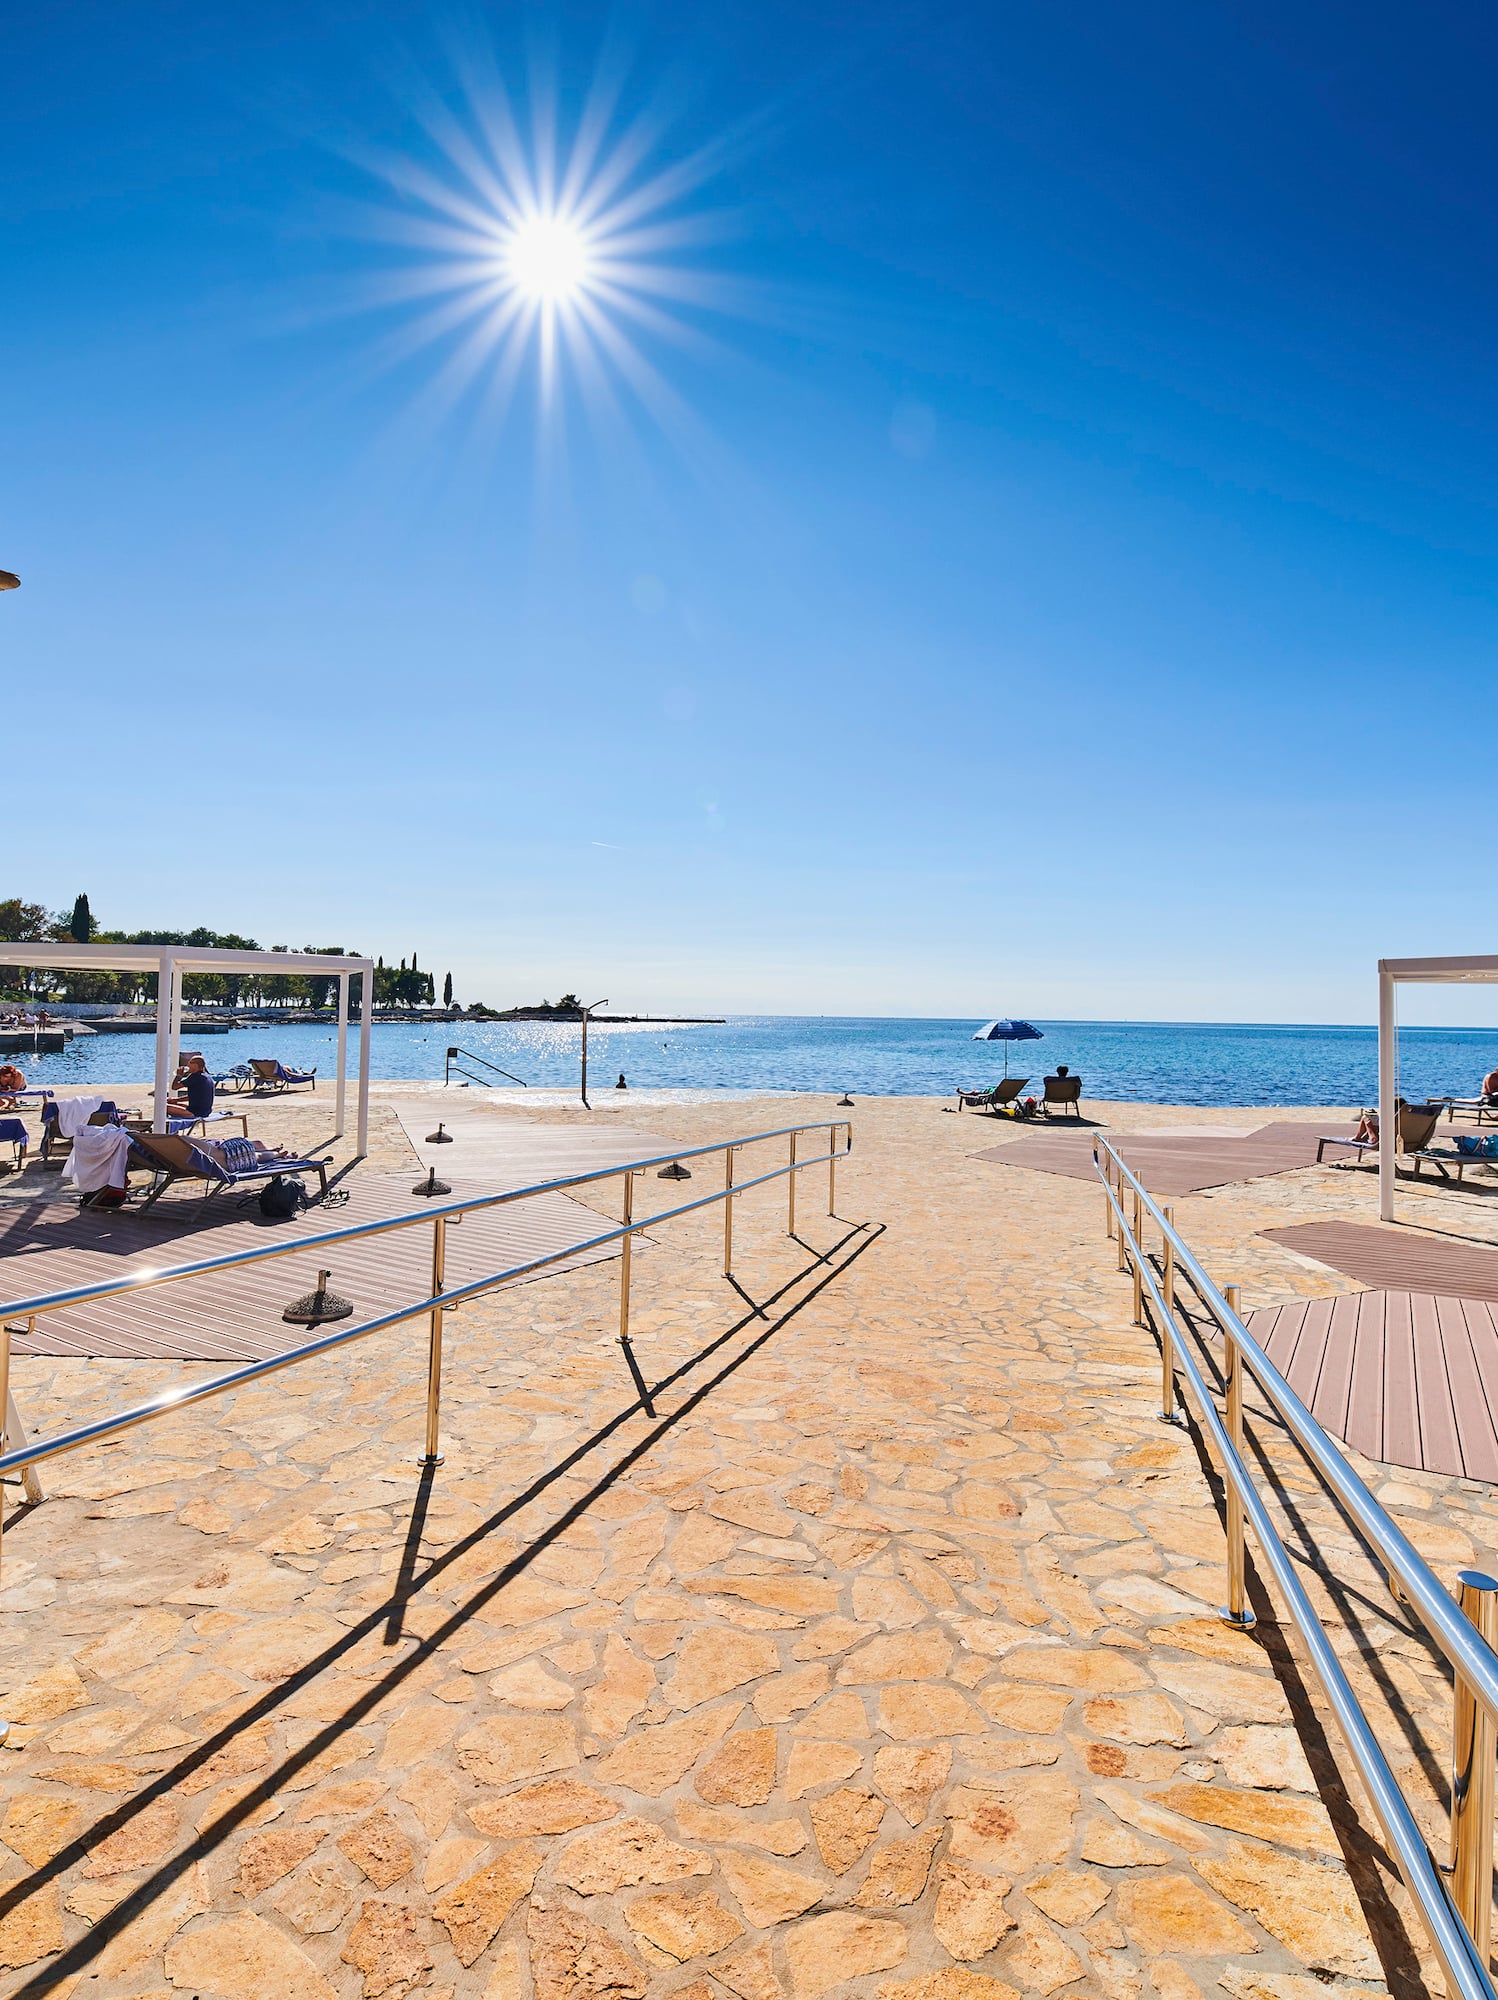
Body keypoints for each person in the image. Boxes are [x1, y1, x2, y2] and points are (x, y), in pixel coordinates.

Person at [167, 1053, 216, 1121]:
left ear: (195, 1065)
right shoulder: (207, 1077)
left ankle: (166, 1128)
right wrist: (175, 1100)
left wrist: (179, 1076)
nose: (188, 1065)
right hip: (205, 1111)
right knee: (174, 1104)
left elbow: (175, 1087)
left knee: (163, 1107)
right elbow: (196, 1096)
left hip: (195, 1113)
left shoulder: (195, 1077)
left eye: (190, 1063)